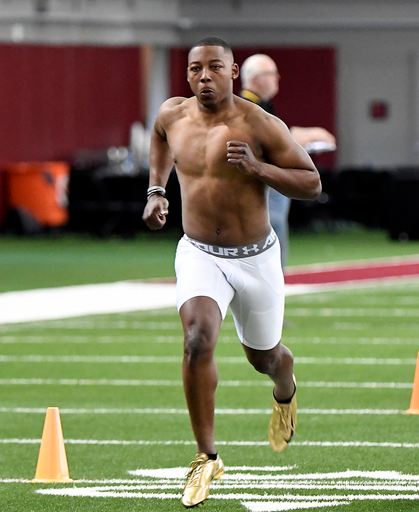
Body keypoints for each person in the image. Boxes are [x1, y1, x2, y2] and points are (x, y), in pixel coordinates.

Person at [142, 37, 321, 508]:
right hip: (199, 252)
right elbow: (159, 143)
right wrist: (156, 191)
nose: (205, 77)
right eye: (196, 69)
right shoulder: (171, 116)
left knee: (265, 358)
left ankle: (286, 389)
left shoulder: (259, 123)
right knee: (197, 339)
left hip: (256, 258)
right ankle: (207, 457)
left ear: (233, 71)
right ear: (187, 75)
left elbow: (311, 181)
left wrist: (259, 168)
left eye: (215, 68)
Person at [240, 53, 336, 267]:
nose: (277, 78)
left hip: (266, 181)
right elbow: (277, 138)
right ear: (255, 79)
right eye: (271, 74)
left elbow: (282, 130)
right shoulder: (249, 106)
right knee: (271, 233)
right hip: (261, 184)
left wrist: (309, 133)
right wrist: (311, 135)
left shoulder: (261, 105)